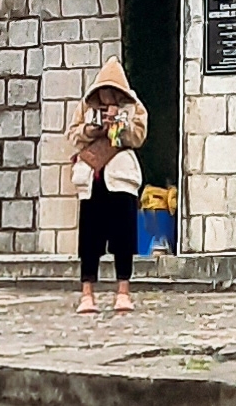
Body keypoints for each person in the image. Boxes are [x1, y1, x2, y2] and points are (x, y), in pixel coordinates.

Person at [67, 57, 149, 315]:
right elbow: (72, 134)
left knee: (123, 239)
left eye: (111, 92)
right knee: (89, 239)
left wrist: (120, 127)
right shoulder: (85, 108)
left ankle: (123, 292)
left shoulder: (135, 108)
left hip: (121, 179)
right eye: (103, 91)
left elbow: (139, 136)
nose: (106, 97)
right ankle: (87, 294)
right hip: (93, 180)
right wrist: (93, 129)